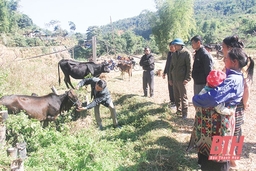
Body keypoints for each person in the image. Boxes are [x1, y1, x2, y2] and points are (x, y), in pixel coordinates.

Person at [189, 47, 253, 171]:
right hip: (218, 124)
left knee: (218, 159)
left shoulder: (232, 80)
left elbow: (213, 97)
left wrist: (196, 99)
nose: (223, 60)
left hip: (219, 125)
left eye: (226, 58)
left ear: (234, 62)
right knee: (219, 155)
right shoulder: (231, 76)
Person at [221, 35, 254, 168]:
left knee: (234, 132)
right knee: (232, 132)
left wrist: (245, 103)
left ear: (229, 48)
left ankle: (232, 160)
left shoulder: (238, 62)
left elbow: (246, 88)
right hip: (231, 103)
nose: (222, 50)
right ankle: (231, 158)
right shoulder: (232, 60)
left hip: (236, 104)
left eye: (223, 47)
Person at [168, 38, 192, 119]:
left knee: (183, 97)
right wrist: (170, 79)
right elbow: (171, 67)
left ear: (179, 45)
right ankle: (178, 111)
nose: (174, 46)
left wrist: (187, 78)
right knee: (176, 96)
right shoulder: (174, 54)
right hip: (175, 78)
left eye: (175, 45)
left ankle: (184, 113)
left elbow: (189, 67)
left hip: (182, 79)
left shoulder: (186, 53)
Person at [162, 41, 175, 106]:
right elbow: (167, 63)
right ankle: (172, 100)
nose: (170, 48)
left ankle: (175, 102)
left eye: (172, 47)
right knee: (170, 87)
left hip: (175, 74)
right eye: (170, 47)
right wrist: (164, 72)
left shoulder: (177, 54)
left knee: (174, 88)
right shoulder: (169, 53)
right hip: (169, 74)